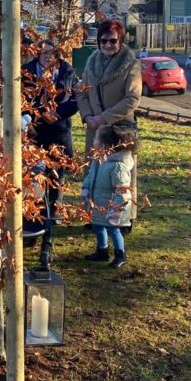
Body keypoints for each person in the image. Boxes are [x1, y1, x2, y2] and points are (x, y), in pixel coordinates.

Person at [77, 19, 142, 226]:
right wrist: (88, 117)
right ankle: (93, 216)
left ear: (120, 41)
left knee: (121, 174)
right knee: (94, 173)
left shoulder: (131, 64)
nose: (107, 45)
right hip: (95, 129)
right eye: (103, 41)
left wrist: (103, 118)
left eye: (112, 41)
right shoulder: (91, 62)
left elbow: (132, 99)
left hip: (120, 128)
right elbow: (82, 92)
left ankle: (124, 219)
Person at [22, 39, 78, 220]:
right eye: (44, 53)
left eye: (51, 53)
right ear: (37, 53)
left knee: (57, 172)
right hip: (35, 129)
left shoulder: (66, 71)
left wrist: (58, 113)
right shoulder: (27, 71)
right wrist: (37, 114)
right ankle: (37, 214)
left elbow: (75, 100)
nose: (48, 57)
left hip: (59, 129)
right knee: (36, 172)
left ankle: (54, 212)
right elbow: (21, 99)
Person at [80, 125, 138, 268]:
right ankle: (102, 251)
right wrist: (86, 188)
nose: (94, 141)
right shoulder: (98, 160)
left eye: (96, 139)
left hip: (113, 206)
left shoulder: (118, 167)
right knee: (98, 226)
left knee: (114, 229)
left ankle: (120, 255)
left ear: (106, 144)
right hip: (99, 203)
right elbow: (90, 176)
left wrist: (116, 208)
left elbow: (122, 191)